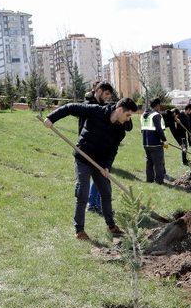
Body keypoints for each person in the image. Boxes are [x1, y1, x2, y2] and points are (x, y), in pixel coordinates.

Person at [44, 97, 137, 241]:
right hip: (83, 157)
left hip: (99, 163)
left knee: (106, 193)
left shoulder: (120, 130)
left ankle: (111, 226)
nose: (128, 119)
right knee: (83, 192)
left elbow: (113, 150)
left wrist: (107, 166)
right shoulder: (96, 111)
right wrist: (51, 118)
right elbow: (70, 108)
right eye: (128, 115)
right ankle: (79, 230)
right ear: (119, 110)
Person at [80, 82, 114, 215]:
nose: (107, 97)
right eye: (106, 94)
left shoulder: (100, 105)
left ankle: (96, 204)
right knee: (99, 176)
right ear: (99, 91)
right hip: (89, 146)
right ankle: (93, 204)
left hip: (99, 146)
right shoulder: (89, 105)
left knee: (101, 176)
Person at [141, 98, 168, 184]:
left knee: (149, 162)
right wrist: (164, 140)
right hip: (156, 144)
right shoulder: (156, 115)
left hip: (146, 144)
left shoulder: (144, 115)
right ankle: (159, 181)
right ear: (157, 105)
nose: (160, 108)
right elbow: (159, 130)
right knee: (158, 163)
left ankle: (149, 180)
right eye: (159, 106)